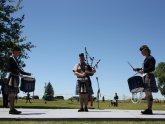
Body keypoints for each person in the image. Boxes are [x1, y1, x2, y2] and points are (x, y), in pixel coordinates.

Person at [133, 45, 158, 115]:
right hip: (146, 76)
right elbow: (144, 69)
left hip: (149, 76)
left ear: (146, 50)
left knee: (149, 93)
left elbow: (152, 68)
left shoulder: (151, 58)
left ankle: (149, 110)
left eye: (142, 51)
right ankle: (148, 109)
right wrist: (137, 69)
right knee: (147, 93)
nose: (141, 53)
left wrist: (143, 71)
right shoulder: (146, 59)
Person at [7, 46, 31, 114]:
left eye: (19, 52)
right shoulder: (10, 58)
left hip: (16, 78)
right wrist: (18, 73)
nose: (19, 53)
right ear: (14, 51)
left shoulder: (16, 59)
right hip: (12, 78)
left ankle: (12, 109)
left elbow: (19, 70)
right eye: (18, 52)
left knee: (14, 94)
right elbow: (10, 68)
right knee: (11, 94)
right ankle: (11, 110)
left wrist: (27, 73)